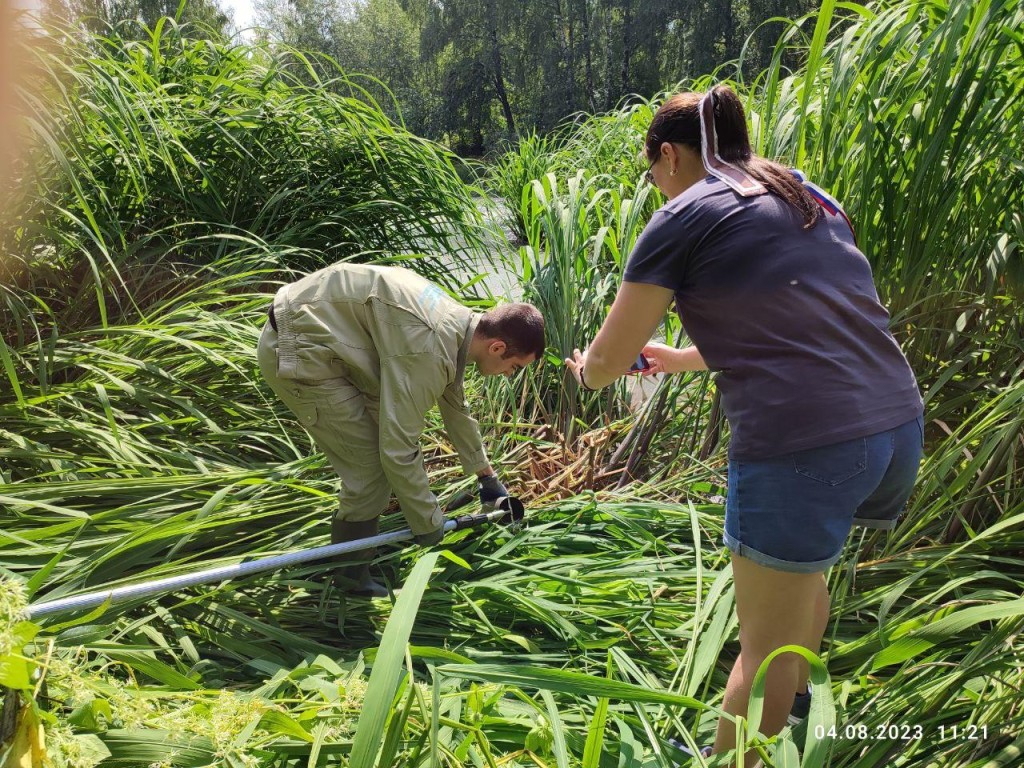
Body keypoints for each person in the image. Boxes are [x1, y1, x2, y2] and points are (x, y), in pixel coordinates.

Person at [564, 85, 923, 764]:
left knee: (758, 651)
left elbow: (608, 360)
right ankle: (793, 708)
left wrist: (588, 370)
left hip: (803, 446)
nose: (656, 187)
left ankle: (742, 752)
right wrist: (676, 358)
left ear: (667, 156)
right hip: (893, 423)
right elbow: (802, 325)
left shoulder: (684, 213)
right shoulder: (798, 191)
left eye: (652, 174)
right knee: (801, 573)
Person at [258, 262, 544, 597]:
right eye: (515, 366)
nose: (511, 374)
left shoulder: (458, 324)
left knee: (379, 453)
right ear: (497, 347)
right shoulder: (430, 347)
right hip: (298, 346)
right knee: (372, 471)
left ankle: (353, 551)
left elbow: (455, 405)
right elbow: (397, 448)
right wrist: (430, 526)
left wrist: (486, 478)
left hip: (329, 336)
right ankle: (350, 579)